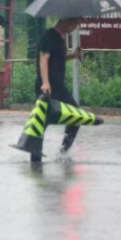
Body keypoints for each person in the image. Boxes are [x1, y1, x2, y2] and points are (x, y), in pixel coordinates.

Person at [37, 18, 84, 155]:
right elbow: (44, 58)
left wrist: (73, 55)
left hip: (59, 86)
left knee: (75, 115)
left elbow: (57, 58)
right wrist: (45, 82)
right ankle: (35, 154)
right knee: (42, 121)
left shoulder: (60, 39)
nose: (76, 28)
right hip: (48, 87)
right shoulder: (49, 36)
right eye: (75, 24)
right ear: (66, 21)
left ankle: (63, 152)